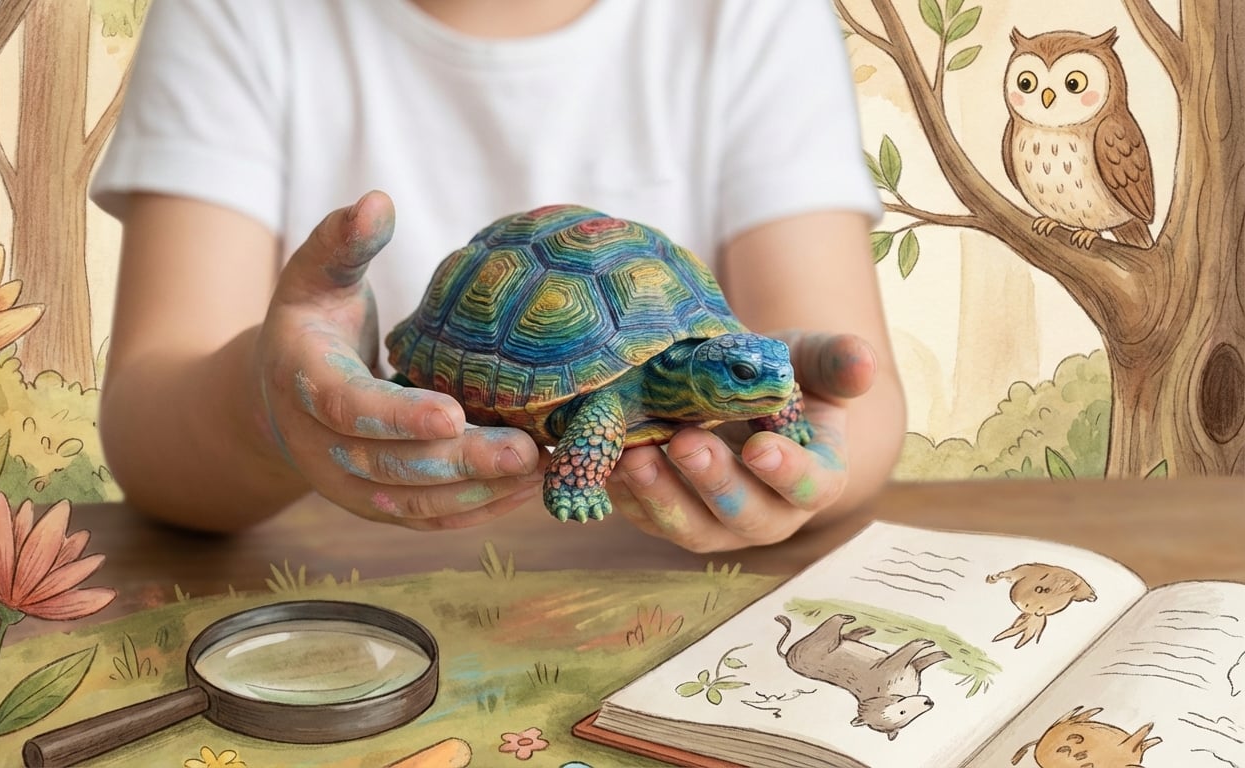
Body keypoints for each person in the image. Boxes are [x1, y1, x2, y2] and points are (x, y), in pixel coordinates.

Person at [91, 0, 907, 553]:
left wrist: (797, 433)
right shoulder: (235, 17)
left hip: (653, 596)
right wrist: (263, 406)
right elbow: (149, 432)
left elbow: (817, 397)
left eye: (742, 370)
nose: (755, 378)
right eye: (737, 371)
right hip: (343, 574)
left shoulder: (758, 17)